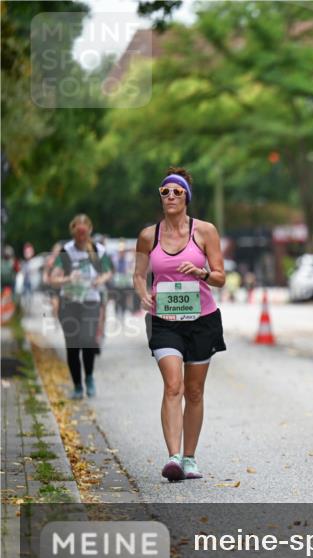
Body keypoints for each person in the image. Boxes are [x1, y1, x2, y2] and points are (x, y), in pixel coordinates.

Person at [133, 167, 227, 482]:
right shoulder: (149, 235)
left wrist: (200, 273)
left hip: (202, 319)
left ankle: (190, 458)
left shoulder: (205, 232)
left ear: (187, 197)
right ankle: (173, 456)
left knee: (194, 390)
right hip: (164, 321)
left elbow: (220, 277)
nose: (171, 196)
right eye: (165, 191)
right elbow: (138, 273)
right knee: (173, 384)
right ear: (160, 197)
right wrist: (143, 293)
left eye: (177, 191)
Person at [48, 215, 113, 399]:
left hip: (90, 301)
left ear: (89, 231)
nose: (81, 238)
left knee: (87, 340)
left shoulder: (98, 251)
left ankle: (90, 377)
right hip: (69, 302)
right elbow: (53, 278)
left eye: (84, 234)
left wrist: (100, 279)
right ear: (73, 233)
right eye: (78, 234)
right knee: (72, 346)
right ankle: (77, 385)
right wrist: (68, 279)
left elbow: (108, 271)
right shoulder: (66, 251)